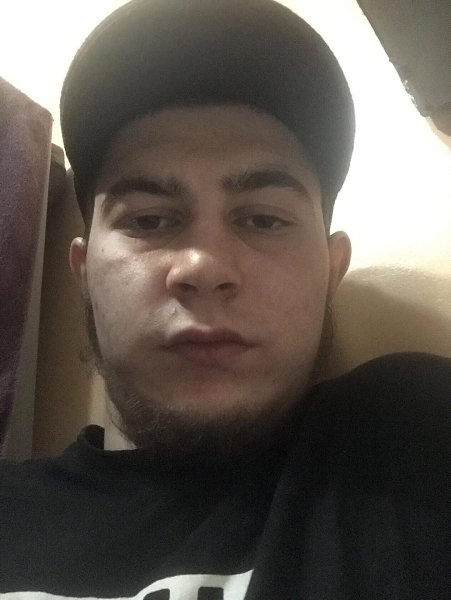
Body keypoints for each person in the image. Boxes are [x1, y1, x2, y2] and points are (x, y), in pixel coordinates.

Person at [1, 0, 450, 598]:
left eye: (263, 219)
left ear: (331, 271)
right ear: (84, 273)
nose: (204, 267)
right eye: (150, 219)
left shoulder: (417, 439)